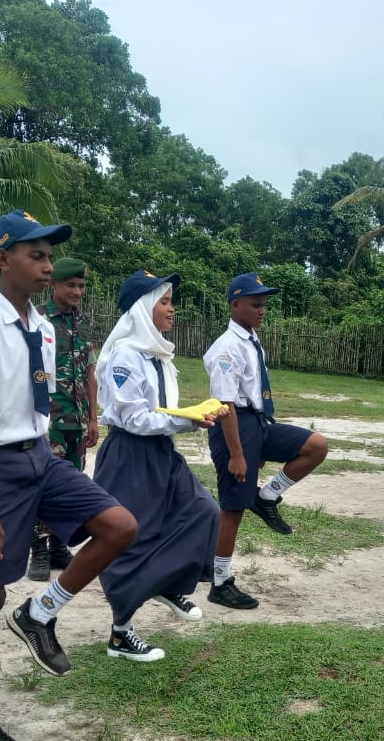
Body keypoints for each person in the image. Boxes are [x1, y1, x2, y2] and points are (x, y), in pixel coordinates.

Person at [0, 209, 137, 741]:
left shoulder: (44, 329)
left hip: (41, 455)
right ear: (4, 259)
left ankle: (41, 613)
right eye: (37, 255)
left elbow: (37, 401)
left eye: (51, 256)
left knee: (118, 526)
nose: (48, 266)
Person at [91, 270, 228, 660]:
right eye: (164, 302)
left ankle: (167, 583)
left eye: (170, 301)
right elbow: (134, 419)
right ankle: (121, 634)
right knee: (132, 540)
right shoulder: (124, 357)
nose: (172, 309)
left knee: (203, 511)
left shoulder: (159, 357)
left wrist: (191, 415)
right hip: (130, 455)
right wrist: (188, 420)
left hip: (161, 452)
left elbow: (162, 410)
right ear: (141, 309)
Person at [202, 272, 328, 610]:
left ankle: (268, 496)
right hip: (234, 427)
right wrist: (238, 454)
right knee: (232, 510)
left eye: (264, 304)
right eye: (255, 304)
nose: (262, 310)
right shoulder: (227, 348)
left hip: (257, 422)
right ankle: (220, 581)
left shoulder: (250, 338)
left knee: (315, 445)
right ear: (235, 304)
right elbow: (225, 405)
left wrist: (260, 441)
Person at [27, 257, 99, 581]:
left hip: (78, 420)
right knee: (42, 483)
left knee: (70, 483)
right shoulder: (38, 319)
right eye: (70, 284)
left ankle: (58, 544)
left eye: (81, 286)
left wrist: (93, 418)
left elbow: (90, 374)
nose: (77, 291)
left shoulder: (85, 322)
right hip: (48, 419)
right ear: (54, 284)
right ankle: (38, 549)